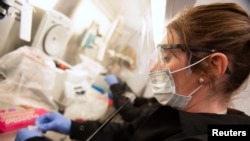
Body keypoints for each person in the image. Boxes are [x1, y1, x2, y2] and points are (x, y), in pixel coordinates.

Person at [15, 2, 250, 141]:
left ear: (212, 67)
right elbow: (127, 134)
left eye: (167, 58)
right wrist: (73, 127)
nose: (153, 69)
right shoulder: (176, 110)